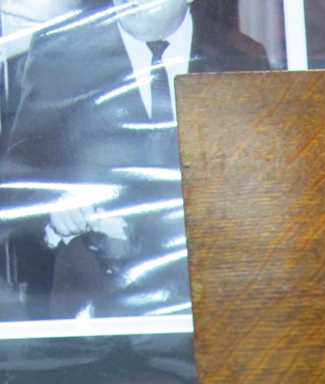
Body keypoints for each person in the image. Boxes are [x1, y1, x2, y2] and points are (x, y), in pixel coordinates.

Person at [0, 0, 270, 320]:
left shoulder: (239, 58)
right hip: (93, 310)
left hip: (215, 302)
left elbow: (262, 190)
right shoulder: (60, 55)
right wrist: (55, 208)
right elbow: (17, 182)